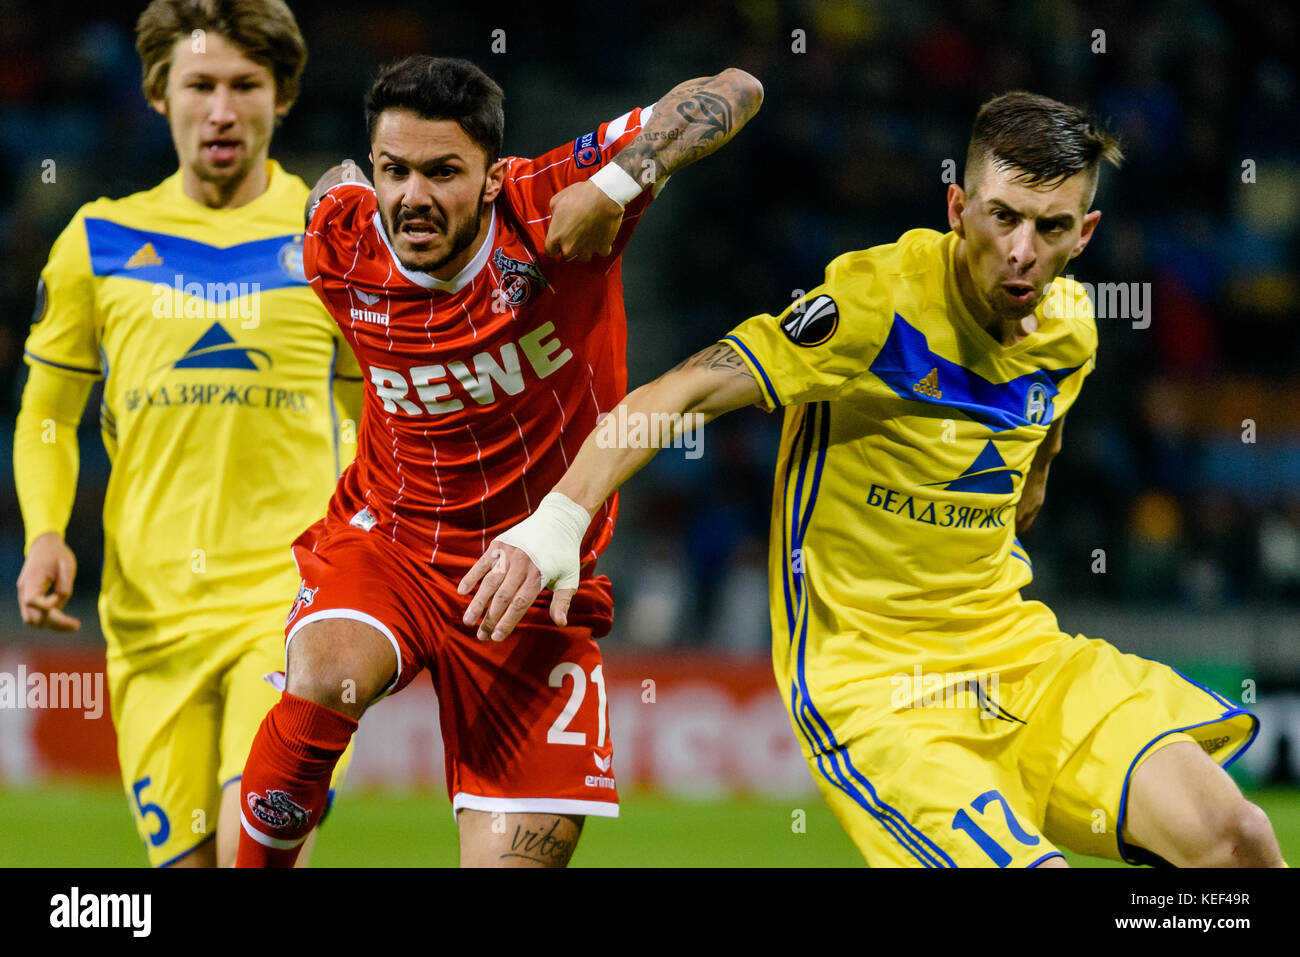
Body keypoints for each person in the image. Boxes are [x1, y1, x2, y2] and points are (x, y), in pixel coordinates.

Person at [463, 91, 1288, 868]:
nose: (1023, 250)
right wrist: (560, 519)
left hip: (1018, 654)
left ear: (1087, 232)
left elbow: (1035, 464)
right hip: (877, 685)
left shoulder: (1071, 331)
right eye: (1002, 217)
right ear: (959, 209)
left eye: (1051, 225)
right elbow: (677, 393)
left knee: (1237, 840)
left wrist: (1009, 496)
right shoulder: (871, 306)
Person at [235, 55, 763, 867]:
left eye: (443, 171)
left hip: (538, 576)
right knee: (328, 675)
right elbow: (331, 189)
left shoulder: (547, 206)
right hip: (392, 544)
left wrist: (619, 186)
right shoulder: (339, 242)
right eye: (395, 170)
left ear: (490, 178)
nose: (413, 195)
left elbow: (736, 91)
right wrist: (341, 180)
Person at [14, 0, 359, 867]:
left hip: (289, 607)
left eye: (247, 84)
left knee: (263, 853)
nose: (222, 107)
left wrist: (370, 547)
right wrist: (46, 533)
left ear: (281, 99)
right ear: (158, 93)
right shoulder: (96, 239)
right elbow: (49, 414)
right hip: (148, 620)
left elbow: (369, 408)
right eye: (200, 84)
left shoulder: (333, 234)